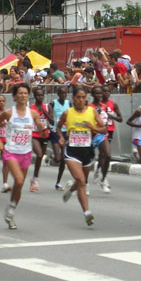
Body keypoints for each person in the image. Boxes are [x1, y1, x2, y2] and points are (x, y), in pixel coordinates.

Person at [0, 83, 45, 230]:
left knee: (19, 186)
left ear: (28, 96)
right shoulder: (9, 113)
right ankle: (10, 210)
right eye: (20, 93)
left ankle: (11, 210)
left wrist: (41, 128)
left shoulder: (32, 113)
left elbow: (41, 128)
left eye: (25, 93)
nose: (22, 96)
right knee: (19, 180)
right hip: (11, 151)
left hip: (25, 152)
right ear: (14, 96)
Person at [58, 87, 107, 226]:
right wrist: (61, 138)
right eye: (78, 97)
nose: (81, 100)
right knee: (81, 181)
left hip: (87, 151)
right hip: (72, 151)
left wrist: (93, 127)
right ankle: (87, 213)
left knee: (81, 182)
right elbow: (58, 127)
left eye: (83, 97)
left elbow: (103, 129)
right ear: (73, 98)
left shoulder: (92, 111)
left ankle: (71, 188)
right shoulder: (68, 113)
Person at [29, 87, 51, 192]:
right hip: (34, 134)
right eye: (38, 95)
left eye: (41, 95)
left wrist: (44, 113)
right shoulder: (31, 108)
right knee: (38, 154)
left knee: (40, 156)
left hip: (44, 134)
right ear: (34, 96)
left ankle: (34, 177)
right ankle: (35, 179)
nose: (40, 97)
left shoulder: (47, 107)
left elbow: (52, 121)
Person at [49, 86, 69, 191]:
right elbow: (50, 117)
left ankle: (58, 182)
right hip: (56, 132)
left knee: (63, 159)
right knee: (58, 159)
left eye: (65, 93)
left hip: (65, 132)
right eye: (61, 93)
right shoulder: (53, 103)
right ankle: (52, 155)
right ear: (58, 94)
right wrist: (50, 126)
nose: (63, 95)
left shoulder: (68, 104)